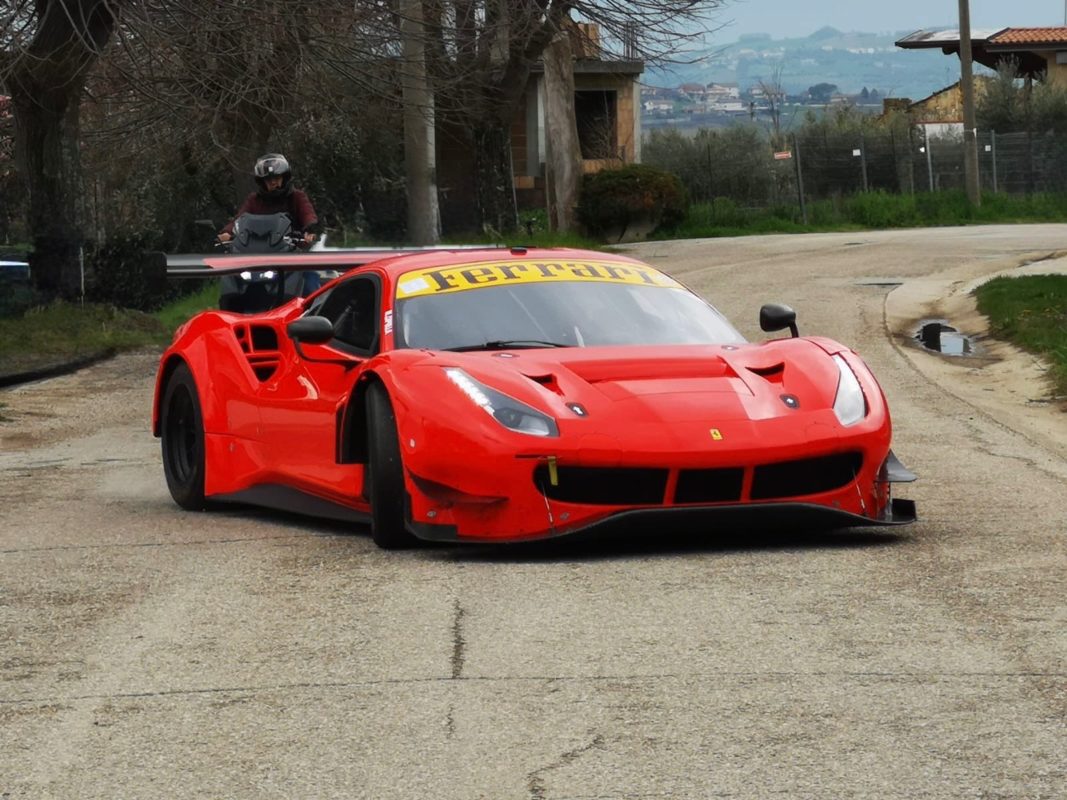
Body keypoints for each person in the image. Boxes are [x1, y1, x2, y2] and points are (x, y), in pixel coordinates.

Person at [217, 153, 320, 246]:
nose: (273, 182)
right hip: (258, 253)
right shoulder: (254, 200)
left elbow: (308, 215)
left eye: (277, 178)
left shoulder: (297, 196)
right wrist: (227, 232)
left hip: (292, 254)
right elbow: (239, 219)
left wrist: (310, 230)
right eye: (268, 179)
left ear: (284, 178)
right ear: (262, 182)